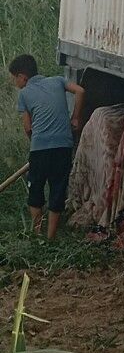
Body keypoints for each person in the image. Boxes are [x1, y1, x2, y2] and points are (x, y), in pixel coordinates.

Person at [8, 54, 85, 241]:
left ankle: (37, 235)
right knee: (57, 189)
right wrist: (75, 117)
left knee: (35, 190)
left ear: (22, 77)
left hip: (40, 149)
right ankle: (50, 238)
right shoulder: (58, 81)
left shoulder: (24, 94)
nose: (14, 82)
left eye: (14, 78)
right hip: (63, 147)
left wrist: (35, 144)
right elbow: (80, 91)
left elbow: (28, 128)